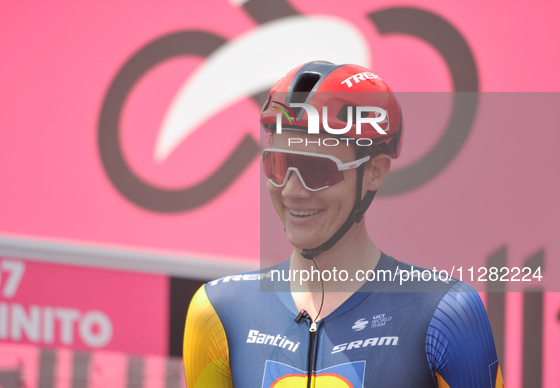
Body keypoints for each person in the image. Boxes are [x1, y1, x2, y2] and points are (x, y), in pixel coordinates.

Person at [183, 61, 504, 387]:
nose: (292, 190)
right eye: (278, 165)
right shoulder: (217, 313)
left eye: (319, 170)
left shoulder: (445, 314)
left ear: (375, 172)